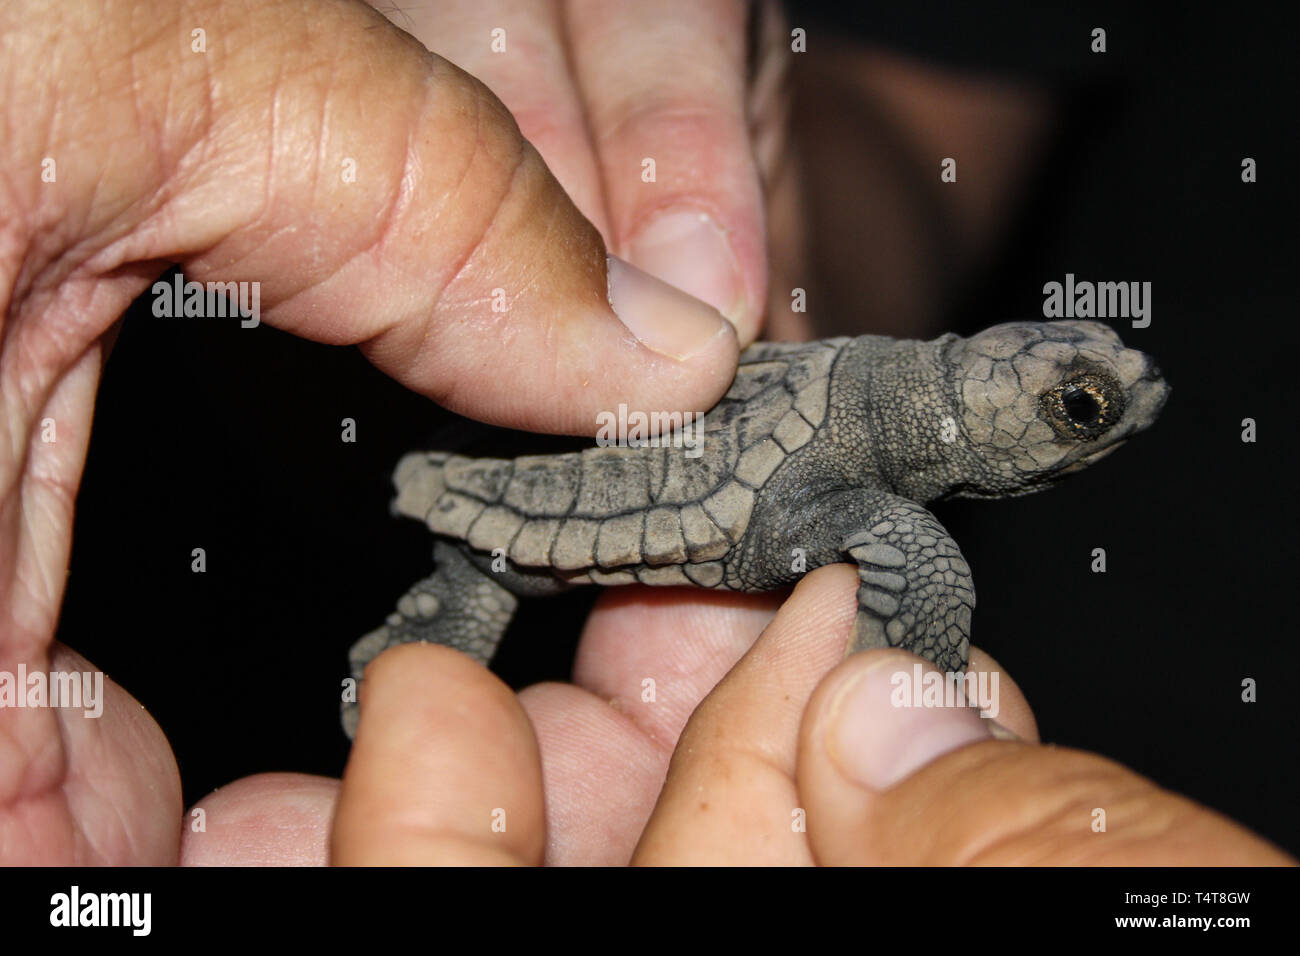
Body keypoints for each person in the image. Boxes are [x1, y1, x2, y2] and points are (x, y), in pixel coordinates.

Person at [0, 0, 1287, 866]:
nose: (1108, 416)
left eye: (1089, 405)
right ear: (977, 403)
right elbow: (905, 108)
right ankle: (451, 604)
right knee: (492, 587)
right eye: (1078, 405)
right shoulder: (894, 501)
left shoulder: (887, 409)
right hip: (573, 483)